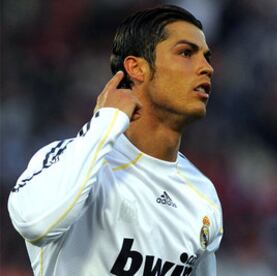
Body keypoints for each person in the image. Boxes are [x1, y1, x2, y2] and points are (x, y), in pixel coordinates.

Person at [8, 4, 223, 276]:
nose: (207, 68)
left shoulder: (202, 195)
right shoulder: (70, 160)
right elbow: (35, 223)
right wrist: (105, 124)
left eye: (207, 57)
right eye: (186, 53)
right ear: (137, 68)